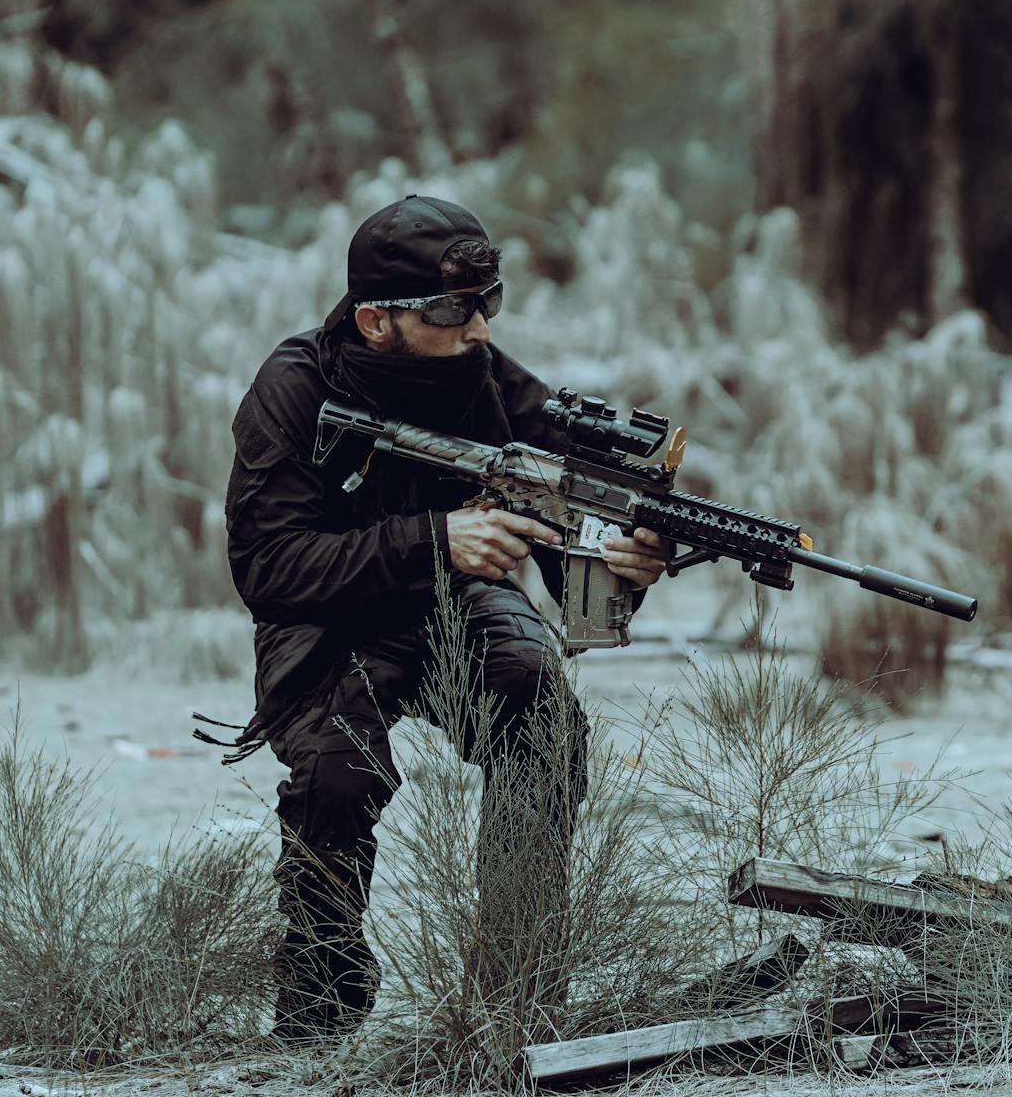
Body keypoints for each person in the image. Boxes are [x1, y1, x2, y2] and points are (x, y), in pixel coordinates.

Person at [209, 194, 671, 1044]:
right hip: (330, 610)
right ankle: (320, 1001)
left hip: (455, 603)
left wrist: (624, 561)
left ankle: (516, 999)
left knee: (543, 718)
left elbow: (571, 511)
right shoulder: (297, 387)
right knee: (336, 776)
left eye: (489, 303)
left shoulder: (482, 377)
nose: (481, 329)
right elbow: (269, 570)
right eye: (456, 309)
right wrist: (435, 538)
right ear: (378, 320)